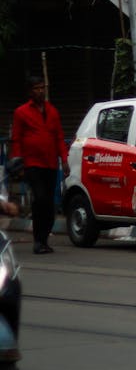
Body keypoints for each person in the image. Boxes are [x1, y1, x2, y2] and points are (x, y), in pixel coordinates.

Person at [11, 76, 69, 254]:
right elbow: (16, 140)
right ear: (30, 92)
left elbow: (59, 137)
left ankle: (44, 239)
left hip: (50, 163)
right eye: (36, 88)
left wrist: (64, 159)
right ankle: (38, 240)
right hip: (32, 163)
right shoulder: (21, 112)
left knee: (49, 204)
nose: (40, 91)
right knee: (40, 199)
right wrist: (17, 163)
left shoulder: (52, 111)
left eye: (42, 88)